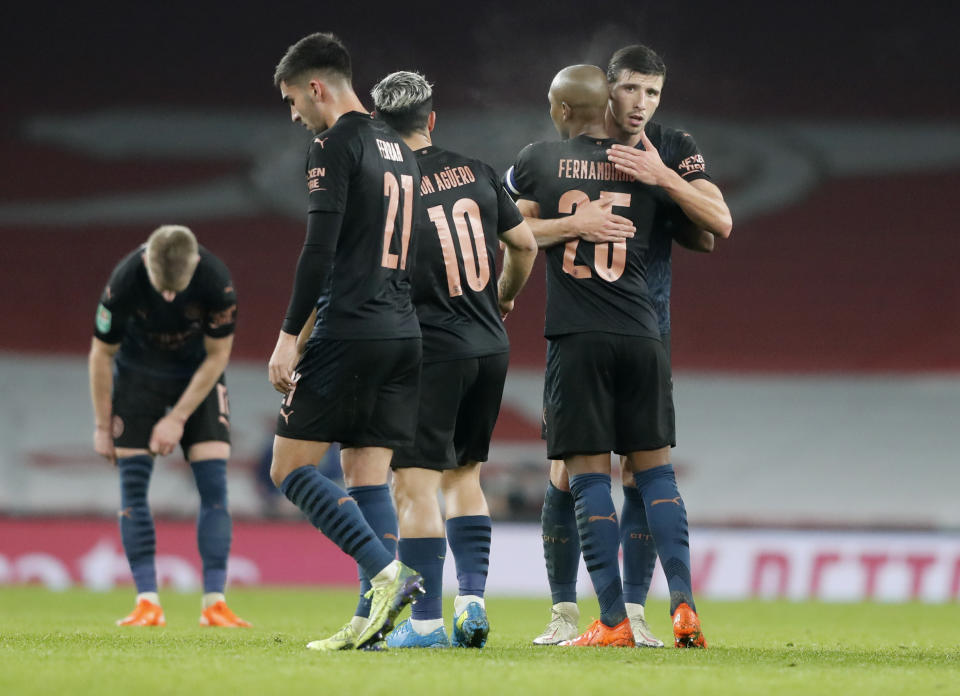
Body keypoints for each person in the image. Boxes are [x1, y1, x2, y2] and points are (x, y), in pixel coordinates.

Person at [505, 60, 730, 648]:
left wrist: (661, 177)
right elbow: (704, 235)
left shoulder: (667, 150)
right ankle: (590, 611)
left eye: (652, 91)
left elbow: (510, 227)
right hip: (642, 331)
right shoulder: (626, 169)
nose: (640, 101)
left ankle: (621, 613)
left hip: (592, 333)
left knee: (586, 474)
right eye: (629, 87)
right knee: (634, 473)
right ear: (607, 92)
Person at [366, 71, 537, 649]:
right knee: (466, 477)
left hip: (431, 351)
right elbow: (526, 244)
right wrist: (506, 295)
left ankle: (424, 625)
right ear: (432, 120)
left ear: (378, 130)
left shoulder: (386, 187)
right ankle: (471, 599)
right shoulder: (480, 172)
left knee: (413, 487)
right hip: (490, 344)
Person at [267, 32, 425, 651]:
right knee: (366, 475)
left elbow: (319, 250)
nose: (293, 114)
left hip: (351, 328)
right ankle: (371, 623)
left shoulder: (332, 145)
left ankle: (388, 574)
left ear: (316, 87)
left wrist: (287, 339)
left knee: (290, 467)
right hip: (400, 331)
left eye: (291, 99)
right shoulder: (402, 148)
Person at [89, 224, 250, 628]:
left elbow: (218, 357)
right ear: (146, 261)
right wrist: (101, 423)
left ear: (195, 263)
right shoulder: (124, 280)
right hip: (138, 377)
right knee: (133, 489)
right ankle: (147, 602)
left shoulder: (217, 281)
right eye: (161, 288)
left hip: (198, 376)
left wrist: (178, 417)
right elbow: (100, 354)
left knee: (214, 487)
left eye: (177, 290)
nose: (169, 297)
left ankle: (215, 602)